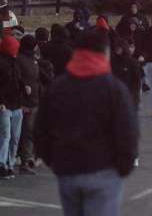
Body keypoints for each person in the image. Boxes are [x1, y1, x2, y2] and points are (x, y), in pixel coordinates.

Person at [34, 29, 139, 216]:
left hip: (67, 168)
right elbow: (127, 132)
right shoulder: (114, 89)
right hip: (103, 169)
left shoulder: (58, 87)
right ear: (105, 53)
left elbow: (41, 128)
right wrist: (124, 166)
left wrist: (52, 159)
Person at [16, 35, 41, 175]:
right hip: (26, 102)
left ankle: (25, 159)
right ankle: (23, 160)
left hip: (33, 100)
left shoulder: (32, 59)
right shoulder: (23, 60)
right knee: (25, 132)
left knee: (27, 132)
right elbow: (18, 79)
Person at [0, 36, 24, 179]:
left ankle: (9, 163)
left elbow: (18, 80)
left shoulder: (16, 62)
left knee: (13, 136)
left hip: (16, 104)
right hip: (6, 105)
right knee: (7, 136)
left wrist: (24, 87)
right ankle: (3, 164)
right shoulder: (5, 63)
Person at [111, 38, 143, 109]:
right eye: (116, 47)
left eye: (119, 47)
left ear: (123, 47)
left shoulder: (132, 62)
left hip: (129, 92)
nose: (117, 49)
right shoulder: (112, 61)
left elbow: (137, 80)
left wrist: (136, 96)